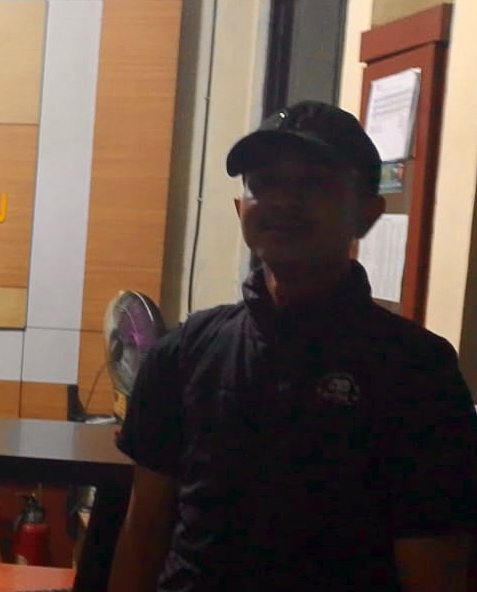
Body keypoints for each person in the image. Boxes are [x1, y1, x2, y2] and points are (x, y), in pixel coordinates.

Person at [109, 101, 477, 592]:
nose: (283, 201)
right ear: (240, 208)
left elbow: (434, 565)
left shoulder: (418, 370)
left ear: (367, 214)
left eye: (314, 184)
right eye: (264, 183)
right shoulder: (184, 353)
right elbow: (143, 532)